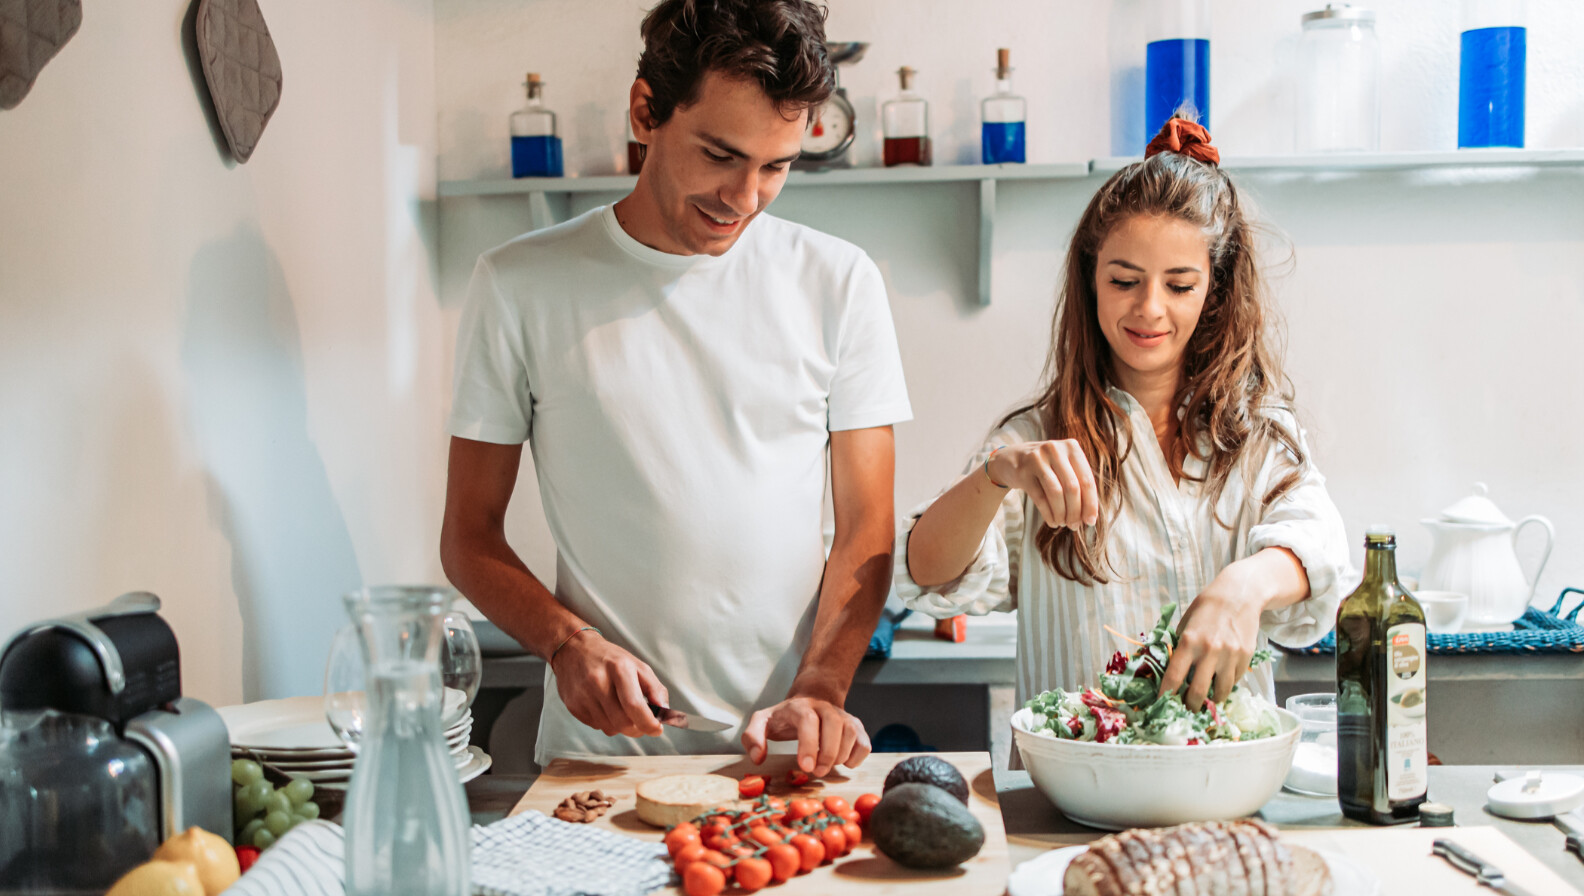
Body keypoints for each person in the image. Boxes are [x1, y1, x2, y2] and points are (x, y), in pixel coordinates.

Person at [440, 0, 910, 776]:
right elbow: (469, 536)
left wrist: (823, 688)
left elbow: (865, 532)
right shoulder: (519, 284)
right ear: (645, 109)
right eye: (720, 154)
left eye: (777, 166)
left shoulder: (840, 282)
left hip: (783, 755)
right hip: (603, 761)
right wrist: (567, 642)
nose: (744, 197)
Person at [896, 118, 1348, 721]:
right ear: (1091, 282)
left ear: (1213, 291)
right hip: (1073, 791)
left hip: (1222, 787)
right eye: (1124, 281)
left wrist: (1244, 586)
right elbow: (927, 572)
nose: (1149, 309)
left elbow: (1318, 547)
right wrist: (995, 474)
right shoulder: (1034, 441)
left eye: (1180, 285)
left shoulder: (1257, 434)